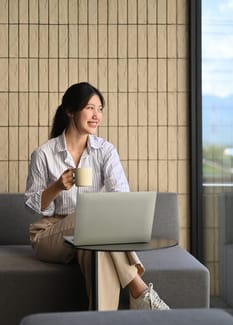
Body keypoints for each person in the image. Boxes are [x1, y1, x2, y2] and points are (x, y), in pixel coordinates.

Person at [25, 82, 169, 311]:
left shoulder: (105, 150)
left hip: (90, 236)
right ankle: (139, 291)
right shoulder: (44, 154)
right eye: (90, 108)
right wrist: (57, 187)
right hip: (49, 235)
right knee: (90, 218)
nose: (97, 115)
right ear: (70, 111)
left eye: (100, 109)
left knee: (98, 250)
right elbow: (33, 207)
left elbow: (121, 195)